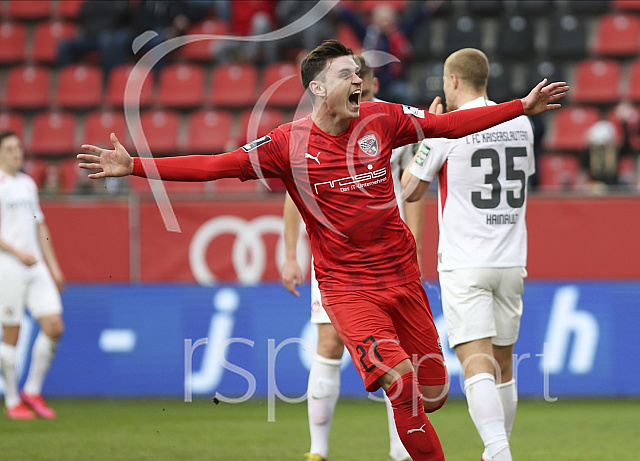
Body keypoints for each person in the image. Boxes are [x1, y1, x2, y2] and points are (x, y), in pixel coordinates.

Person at [78, 40, 568, 460]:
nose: (359, 78)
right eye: (346, 73)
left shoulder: (385, 118)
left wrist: (520, 107)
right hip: (348, 290)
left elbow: (450, 128)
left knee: (434, 392)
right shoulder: (286, 145)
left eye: (359, 72)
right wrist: (136, 166)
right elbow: (214, 166)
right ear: (317, 87)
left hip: (402, 279)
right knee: (403, 387)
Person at [280, 55, 423, 461]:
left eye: (365, 81)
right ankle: (317, 451)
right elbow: (295, 198)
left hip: (388, 258)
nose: (362, 87)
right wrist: (291, 254)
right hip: (338, 261)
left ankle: (400, 451)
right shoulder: (310, 139)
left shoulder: (388, 126)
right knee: (328, 344)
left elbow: (413, 194)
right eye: (354, 79)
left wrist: (414, 250)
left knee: (395, 355)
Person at [401, 48, 536, 461]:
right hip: (511, 259)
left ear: (454, 81)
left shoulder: (448, 128)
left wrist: (429, 133)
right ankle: (498, 451)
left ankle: (498, 451)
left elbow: (409, 189)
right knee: (504, 365)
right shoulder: (522, 122)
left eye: (445, 81)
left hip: (465, 261)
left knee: (476, 363)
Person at [0, 132, 66, 420]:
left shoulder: (28, 184)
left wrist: (53, 265)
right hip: (9, 264)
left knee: (54, 326)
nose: (17, 153)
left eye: (19, 147)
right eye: (10, 148)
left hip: (35, 264)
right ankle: (13, 400)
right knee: (11, 335)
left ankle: (33, 390)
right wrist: (15, 252)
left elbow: (40, 225)